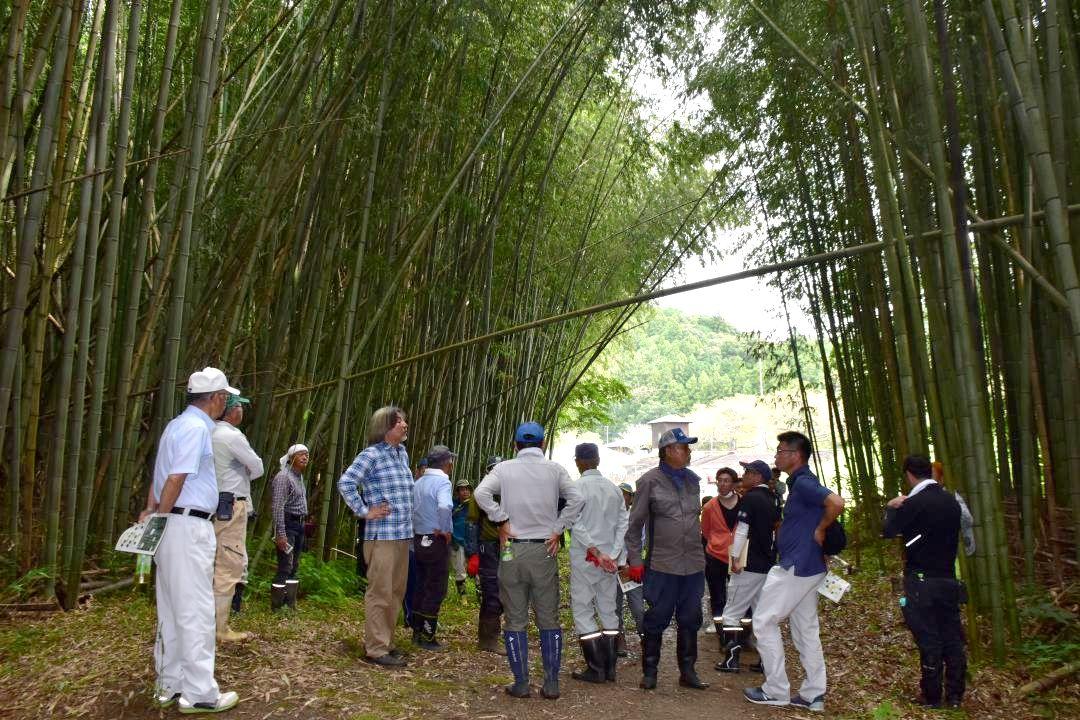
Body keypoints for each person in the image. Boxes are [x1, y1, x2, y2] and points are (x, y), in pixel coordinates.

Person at [141, 367, 240, 714]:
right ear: (216, 398)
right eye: (225, 397)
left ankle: (169, 683)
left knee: (171, 607)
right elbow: (176, 477)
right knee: (196, 609)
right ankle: (199, 692)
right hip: (184, 525)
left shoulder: (175, 425)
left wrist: (152, 513)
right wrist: (163, 517)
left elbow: (160, 475)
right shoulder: (198, 428)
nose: (226, 402)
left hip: (170, 522)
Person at [474, 422, 584, 700]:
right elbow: (577, 498)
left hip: (511, 548)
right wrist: (558, 528)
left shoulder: (504, 468)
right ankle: (551, 683)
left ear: (516, 445)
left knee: (515, 618)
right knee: (548, 618)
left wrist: (501, 518)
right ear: (543, 443)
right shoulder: (555, 469)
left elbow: (480, 494)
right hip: (543, 550)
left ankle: (521, 683)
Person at [744, 431, 844, 711]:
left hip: (797, 566)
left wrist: (821, 529)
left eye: (780, 451)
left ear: (795, 456)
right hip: (810, 567)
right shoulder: (798, 483)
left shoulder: (804, 483)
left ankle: (776, 690)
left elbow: (836, 502)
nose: (776, 456)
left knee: (764, 621)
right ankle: (814, 694)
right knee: (805, 629)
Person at [625, 428, 709, 692]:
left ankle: (688, 671)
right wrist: (635, 560)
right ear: (669, 451)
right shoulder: (649, 481)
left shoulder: (693, 481)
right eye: (683, 447)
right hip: (662, 564)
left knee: (690, 618)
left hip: (693, 564)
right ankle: (650, 672)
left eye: (687, 447)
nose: (688, 452)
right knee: (656, 619)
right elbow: (634, 525)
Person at [884, 455, 967, 708]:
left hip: (921, 582)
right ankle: (955, 696)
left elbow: (888, 531)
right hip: (948, 580)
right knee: (952, 637)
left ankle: (932, 696)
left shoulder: (913, 503)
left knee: (928, 637)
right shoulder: (952, 502)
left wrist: (891, 507)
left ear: (909, 474)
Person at [337, 406, 409, 667]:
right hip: (382, 535)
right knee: (380, 591)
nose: (404, 424)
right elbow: (346, 483)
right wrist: (365, 511)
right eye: (399, 421)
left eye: (403, 420)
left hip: (402, 534)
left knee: (396, 591)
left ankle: (387, 642)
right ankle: (376, 649)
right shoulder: (371, 455)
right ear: (386, 426)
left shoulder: (402, 454)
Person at [568, 443, 628, 684]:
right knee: (608, 608)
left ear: (578, 462)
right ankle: (610, 668)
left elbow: (576, 523)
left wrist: (595, 550)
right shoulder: (614, 489)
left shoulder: (576, 488)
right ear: (598, 460)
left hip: (586, 557)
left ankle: (596, 668)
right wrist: (612, 554)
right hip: (609, 561)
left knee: (582, 608)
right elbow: (624, 522)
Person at [715, 460, 778, 673]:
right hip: (767, 563)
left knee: (732, 611)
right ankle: (765, 660)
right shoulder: (773, 498)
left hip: (749, 562)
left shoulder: (751, 498)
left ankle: (731, 659)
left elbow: (742, 530)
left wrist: (734, 558)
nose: (745, 475)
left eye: (749, 472)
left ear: (758, 476)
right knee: (762, 612)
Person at [210, 392, 263, 642]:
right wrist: (242, 474)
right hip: (231, 505)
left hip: (209, 502)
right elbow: (258, 467)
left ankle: (206, 624)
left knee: (210, 562)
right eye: (239, 407)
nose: (242, 411)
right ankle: (220, 629)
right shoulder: (231, 436)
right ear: (230, 410)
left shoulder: (206, 431)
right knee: (229, 562)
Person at [411, 445, 457, 650]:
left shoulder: (418, 482)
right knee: (436, 587)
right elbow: (445, 506)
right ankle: (428, 637)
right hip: (436, 540)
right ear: (446, 463)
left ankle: (416, 632)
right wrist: (445, 529)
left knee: (421, 585)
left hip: (418, 538)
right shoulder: (442, 482)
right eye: (450, 461)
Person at [466, 455, 506, 654]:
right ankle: (488, 639)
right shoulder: (481, 492)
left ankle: (492, 636)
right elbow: (472, 524)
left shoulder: (508, 490)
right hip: (488, 547)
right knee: (492, 592)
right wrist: (473, 553)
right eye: (494, 469)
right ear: (488, 471)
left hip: (506, 546)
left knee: (505, 589)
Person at [701, 467, 739, 648]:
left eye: (726, 480)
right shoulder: (709, 507)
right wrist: (718, 543)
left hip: (738, 555)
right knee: (717, 596)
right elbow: (706, 532)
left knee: (738, 595)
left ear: (733, 483)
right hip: (715, 556)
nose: (722, 483)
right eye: (720, 480)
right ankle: (722, 636)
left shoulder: (744, 502)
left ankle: (739, 636)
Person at [270, 444, 309, 611]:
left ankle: (289, 604)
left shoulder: (298, 476)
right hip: (287, 524)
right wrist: (280, 533)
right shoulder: (283, 477)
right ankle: (277, 606)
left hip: (299, 525)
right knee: (285, 565)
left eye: (307, 454)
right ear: (291, 457)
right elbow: (278, 506)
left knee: (294, 566)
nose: (305, 457)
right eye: (301, 454)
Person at [614, 482, 644, 657]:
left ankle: (644, 636)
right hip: (613, 568)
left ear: (631, 498)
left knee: (638, 608)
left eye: (625, 494)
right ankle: (620, 640)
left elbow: (641, 543)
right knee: (614, 608)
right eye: (619, 494)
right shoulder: (609, 517)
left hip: (630, 569)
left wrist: (632, 564)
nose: (622, 497)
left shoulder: (636, 518)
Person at [932, 461, 975, 557]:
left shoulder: (950, 496)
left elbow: (968, 519)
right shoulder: (930, 497)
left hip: (956, 552)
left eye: (932, 476)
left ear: (942, 479)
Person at [450, 478, 475, 597]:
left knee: (477, 568)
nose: (465, 492)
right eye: (462, 489)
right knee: (460, 569)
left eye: (467, 489)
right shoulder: (452, 504)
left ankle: (481, 596)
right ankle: (463, 597)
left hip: (473, 541)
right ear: (457, 492)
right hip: (458, 540)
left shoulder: (475, 504)